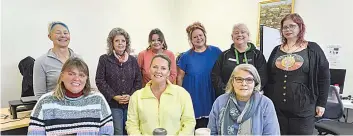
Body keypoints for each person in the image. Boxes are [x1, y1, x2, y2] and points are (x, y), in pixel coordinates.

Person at [264, 13, 330, 135]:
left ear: (300, 27)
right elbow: (268, 75)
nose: (288, 29)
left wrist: (321, 103)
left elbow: (324, 77)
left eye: (292, 26)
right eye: (285, 27)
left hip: (303, 110)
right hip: (277, 109)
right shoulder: (276, 50)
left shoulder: (313, 49)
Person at [27, 57, 113, 135]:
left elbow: (107, 132)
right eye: (71, 74)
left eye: (81, 75)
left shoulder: (98, 100)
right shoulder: (45, 102)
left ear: (86, 79)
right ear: (62, 76)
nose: (76, 78)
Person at [126, 54, 196, 135]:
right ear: (149, 69)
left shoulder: (182, 94)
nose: (158, 71)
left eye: (163, 68)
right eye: (155, 67)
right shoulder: (136, 97)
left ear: (169, 72)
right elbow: (132, 125)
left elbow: (189, 122)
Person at [208, 64, 280, 135]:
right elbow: (211, 132)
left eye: (249, 80)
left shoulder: (265, 104)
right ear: (232, 82)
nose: (244, 83)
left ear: (255, 83)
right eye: (239, 79)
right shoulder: (220, 101)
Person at [96, 27, 142, 135]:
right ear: (112, 43)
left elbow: (138, 81)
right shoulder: (104, 59)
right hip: (113, 104)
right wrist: (114, 96)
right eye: (117, 40)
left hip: (131, 103)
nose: (120, 43)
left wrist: (131, 95)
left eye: (123, 41)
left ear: (127, 43)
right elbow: (100, 81)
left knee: (130, 131)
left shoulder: (133, 60)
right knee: (117, 132)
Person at [177, 22, 222, 128]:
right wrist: (179, 96)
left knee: (211, 126)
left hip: (210, 93)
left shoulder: (216, 51)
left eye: (200, 35)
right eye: (195, 37)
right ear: (191, 40)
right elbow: (180, 77)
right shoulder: (185, 56)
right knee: (194, 127)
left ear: (205, 36)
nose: (198, 38)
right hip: (193, 95)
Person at [211, 23, 267, 98]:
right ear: (232, 37)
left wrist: (251, 92)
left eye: (243, 32)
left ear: (248, 35)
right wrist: (226, 92)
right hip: (228, 97)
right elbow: (215, 76)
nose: (239, 35)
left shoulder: (257, 55)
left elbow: (263, 76)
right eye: (236, 33)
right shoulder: (224, 55)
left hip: (251, 97)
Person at [33, 21, 79, 98]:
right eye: (58, 33)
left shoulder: (78, 59)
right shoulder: (41, 62)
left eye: (65, 33)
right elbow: (40, 95)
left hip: (77, 105)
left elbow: (85, 87)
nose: (63, 35)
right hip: (53, 107)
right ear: (50, 36)